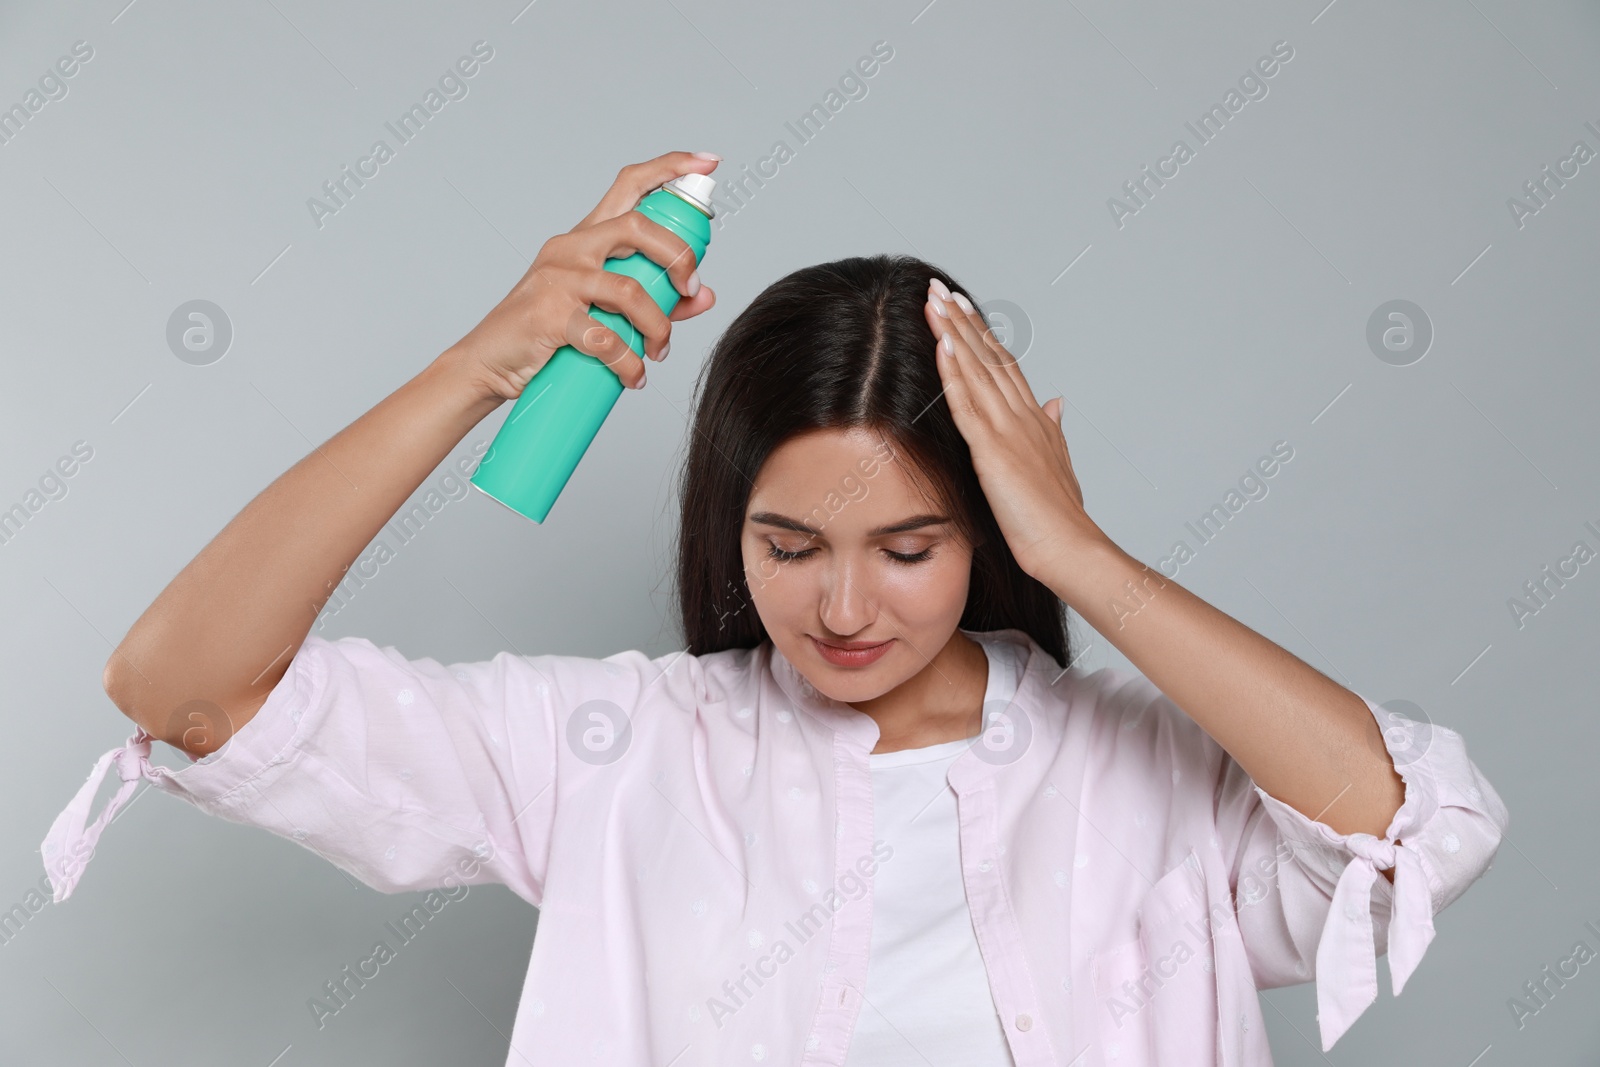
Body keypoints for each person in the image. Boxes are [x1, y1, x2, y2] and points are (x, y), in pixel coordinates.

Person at [43, 151, 1508, 1066]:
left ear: (990, 529)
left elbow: (1397, 823)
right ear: (725, 523)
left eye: (915, 545)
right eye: (790, 543)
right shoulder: (616, 751)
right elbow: (186, 686)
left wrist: (1084, 559)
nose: (846, 606)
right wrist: (478, 369)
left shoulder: (1146, 776)